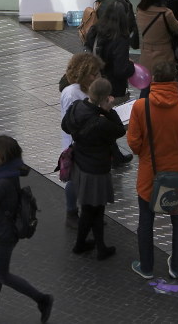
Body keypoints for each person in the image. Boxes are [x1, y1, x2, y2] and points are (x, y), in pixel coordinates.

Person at [0, 135, 53, 324]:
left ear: (1, 153)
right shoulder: (7, 171)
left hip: (3, 233)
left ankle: (42, 299)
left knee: (1, 274)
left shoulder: (2, 180)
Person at [127, 62, 178, 280]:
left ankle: (146, 267)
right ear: (174, 81)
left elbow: (134, 142)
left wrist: (144, 154)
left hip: (149, 174)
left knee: (146, 222)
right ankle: (177, 267)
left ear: (153, 80)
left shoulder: (141, 106)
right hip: (175, 173)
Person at [61, 78, 125, 261]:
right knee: (94, 209)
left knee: (91, 208)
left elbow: (65, 126)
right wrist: (109, 111)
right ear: (105, 98)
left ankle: (91, 245)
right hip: (96, 169)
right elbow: (120, 130)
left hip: (80, 164)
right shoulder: (101, 122)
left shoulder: (76, 107)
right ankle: (88, 246)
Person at [59, 53, 104, 229]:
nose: (98, 77)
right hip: (75, 142)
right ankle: (71, 213)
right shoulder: (72, 93)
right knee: (74, 179)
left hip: (90, 140)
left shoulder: (88, 90)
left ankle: (90, 213)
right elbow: (74, 120)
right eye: (94, 74)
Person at [135, 0, 178, 98]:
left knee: (146, 87)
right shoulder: (166, 14)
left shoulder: (139, 11)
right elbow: (177, 28)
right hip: (164, 55)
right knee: (163, 87)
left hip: (145, 54)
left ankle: (144, 109)